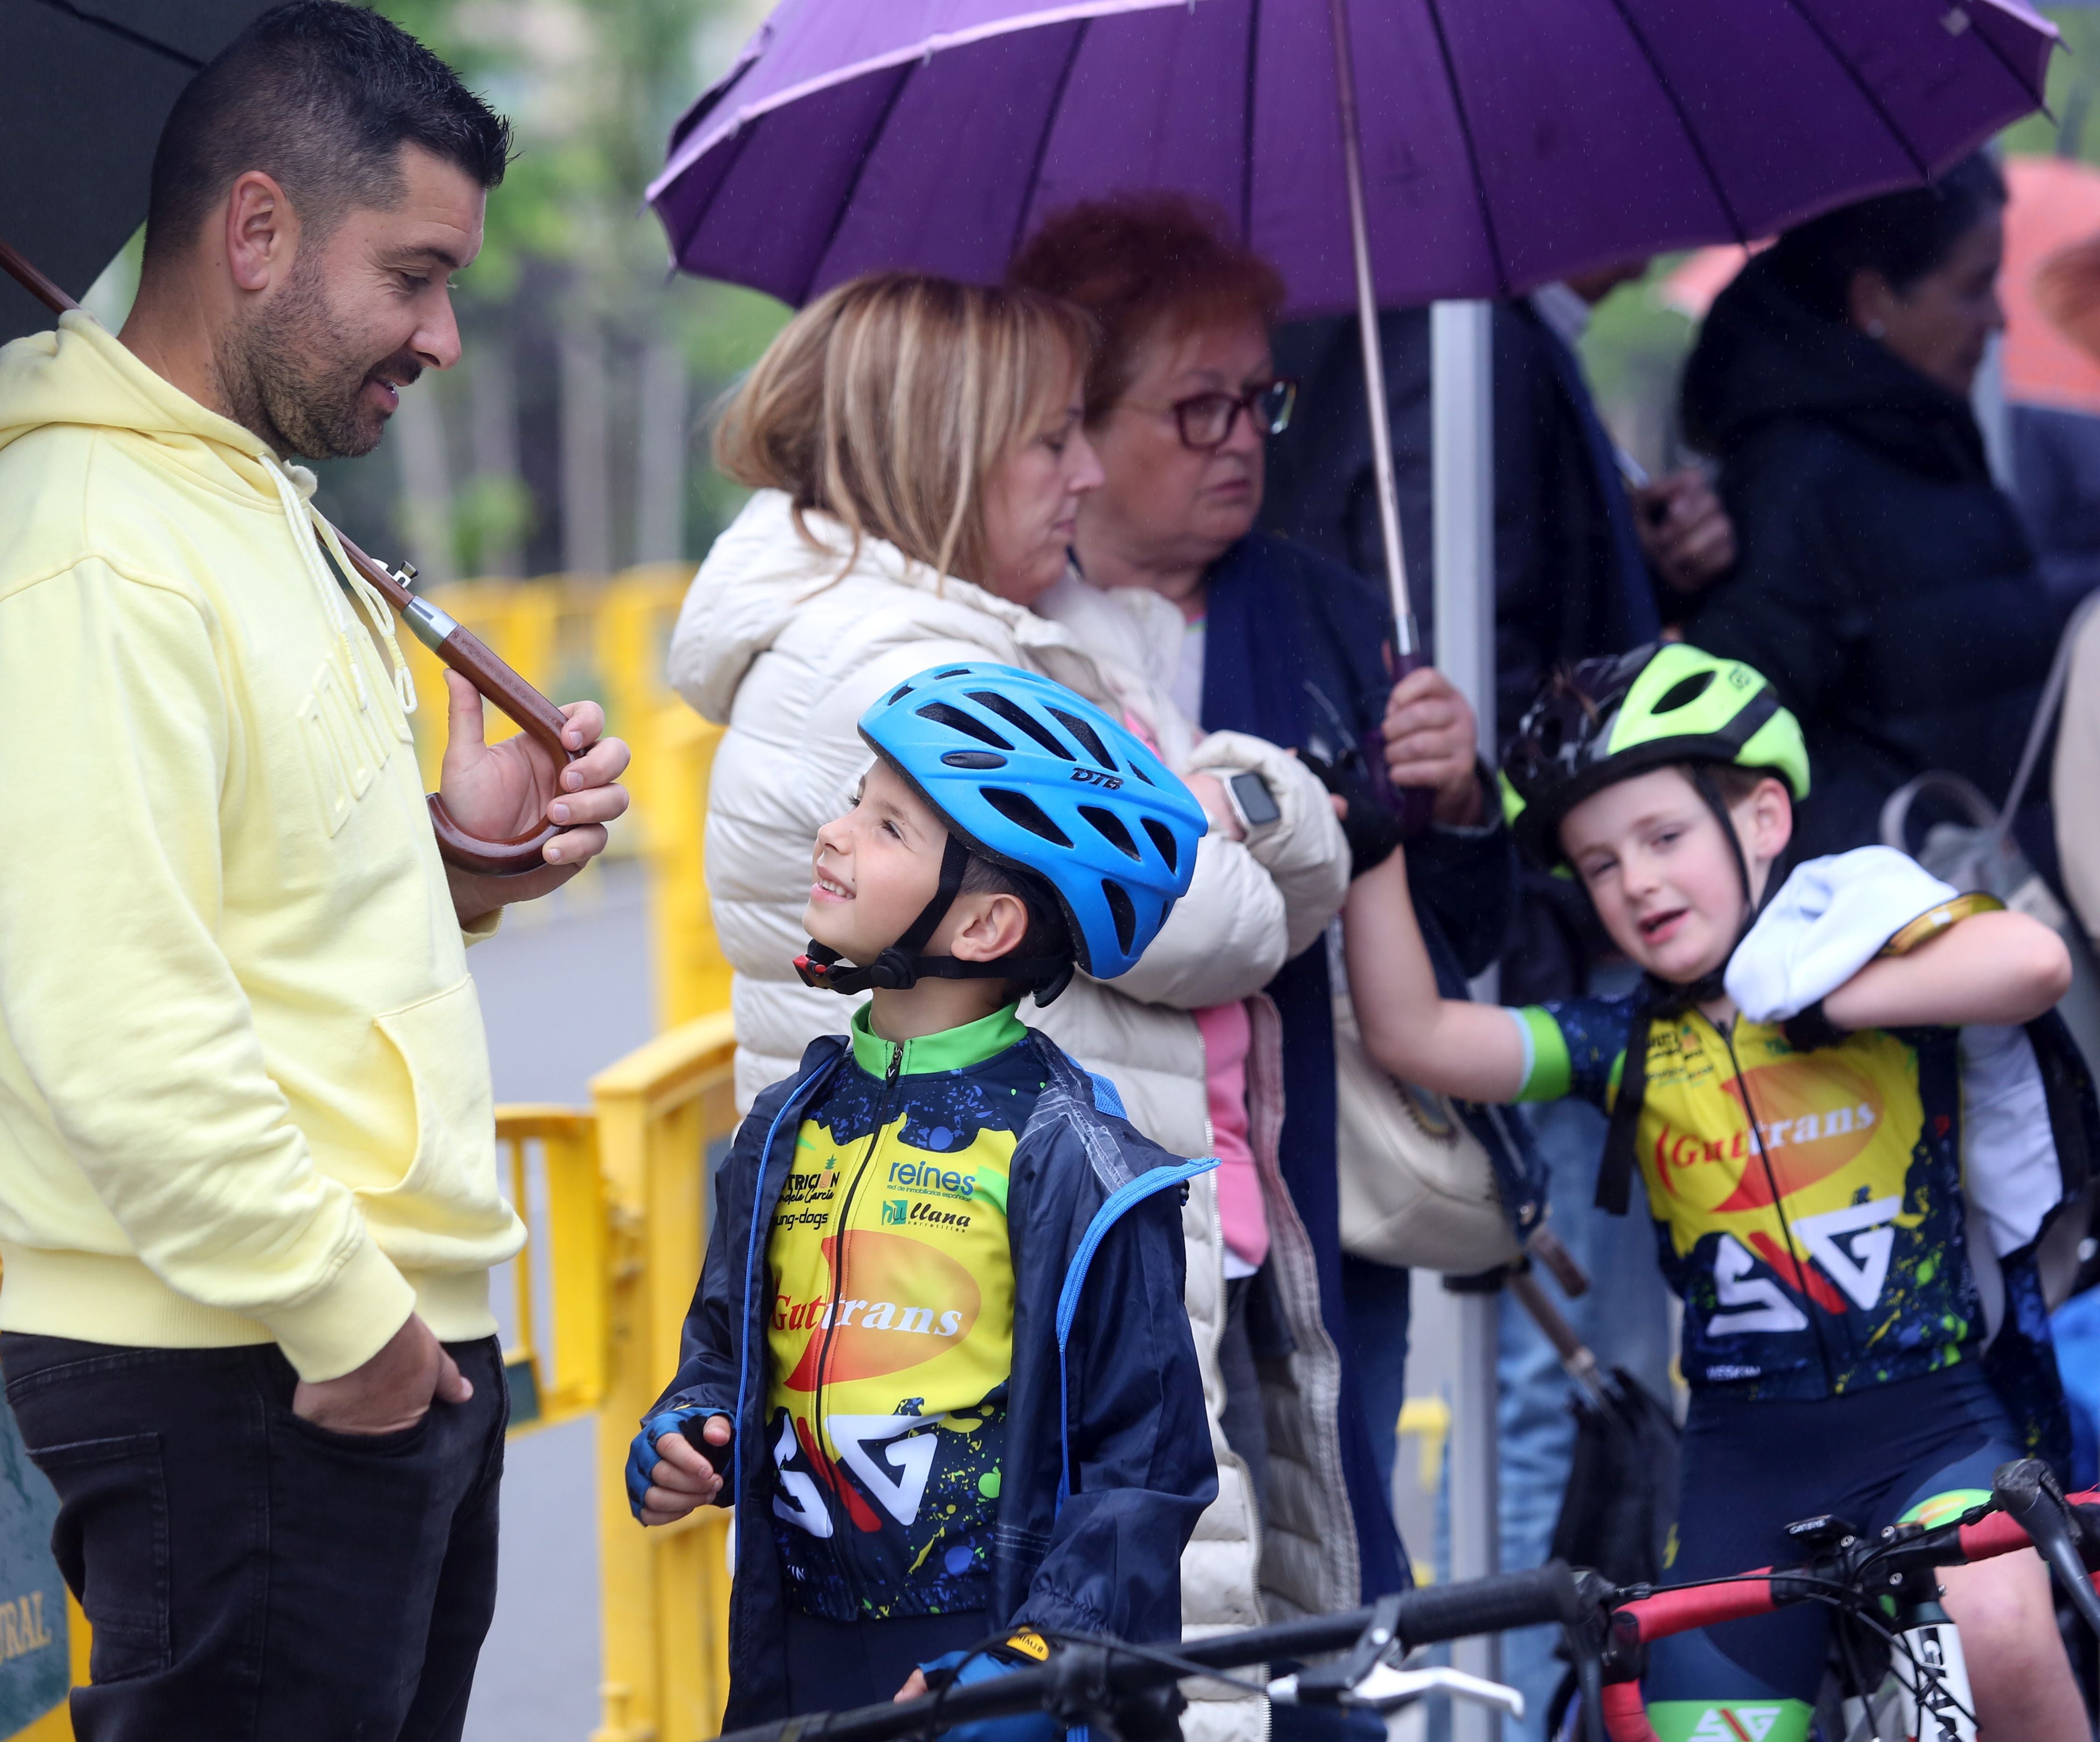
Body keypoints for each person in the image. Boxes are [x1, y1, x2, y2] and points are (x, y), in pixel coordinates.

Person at [0, 6, 631, 1737]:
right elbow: (113, 1010)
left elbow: (257, 916)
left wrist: (461, 860)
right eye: (412, 273)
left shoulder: (255, 504)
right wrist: (347, 1324)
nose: (440, 334)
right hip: (250, 1356)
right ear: (259, 231)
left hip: (352, 1339)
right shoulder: (91, 553)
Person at [664, 270, 1350, 1742]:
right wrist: (1253, 791)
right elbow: (1213, 916)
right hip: (979, 1343)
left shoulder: (897, 639)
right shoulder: (925, 677)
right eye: (1051, 441)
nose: (1087, 472)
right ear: (942, 449)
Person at [1342, 642, 2087, 1742]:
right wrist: (1373, 844)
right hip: (1742, 1460)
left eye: (1662, 836)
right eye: (1596, 865)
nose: (1633, 880)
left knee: (2001, 1629)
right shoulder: (1624, 1040)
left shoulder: (1853, 958)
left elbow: (2031, 964)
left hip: (1930, 1424)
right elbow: (1416, 1034)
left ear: (1763, 821)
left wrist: (1829, 1006)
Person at [1007, 194, 1538, 1652]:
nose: (1245, 437)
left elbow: (1461, 931)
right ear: (1076, 422)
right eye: (1196, 407)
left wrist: (1462, 798)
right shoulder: (996, 622)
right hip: (1067, 1196)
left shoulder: (1321, 607)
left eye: (1260, 399)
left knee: (1321, 1576)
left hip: (1296, 1183)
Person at [1263, 259, 1723, 1733]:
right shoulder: (1448, 335)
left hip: (1508, 922)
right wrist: (1490, 823)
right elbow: (1489, 613)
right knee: (1541, 1398)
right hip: (1513, 947)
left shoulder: (1501, 338)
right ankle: (1513, 1706)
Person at [625, 665, 1217, 1727]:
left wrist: (1039, 1657)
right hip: (797, 1656)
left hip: (991, 1667)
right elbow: (727, 1345)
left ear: (984, 926)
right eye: (856, 800)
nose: (835, 834)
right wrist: (691, 1422)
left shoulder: (1079, 1161)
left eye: (888, 825)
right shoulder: (783, 1124)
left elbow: (1145, 1470)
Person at [1680, 153, 2065, 873]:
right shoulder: (1799, 483)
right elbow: (1744, 745)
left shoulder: (1925, 441)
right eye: (1975, 287)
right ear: (1874, 301)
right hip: (1900, 932)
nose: (2000, 319)